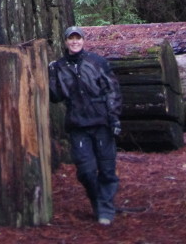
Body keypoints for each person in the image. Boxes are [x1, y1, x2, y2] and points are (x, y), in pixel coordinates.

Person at [49, 26, 122, 226]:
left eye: (78, 38)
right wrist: (51, 74)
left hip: (102, 123)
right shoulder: (59, 67)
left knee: (107, 170)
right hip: (78, 125)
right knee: (86, 171)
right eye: (71, 39)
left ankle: (105, 208)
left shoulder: (97, 62)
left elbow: (112, 90)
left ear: (83, 40)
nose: (74, 42)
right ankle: (99, 201)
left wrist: (114, 118)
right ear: (65, 42)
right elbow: (55, 97)